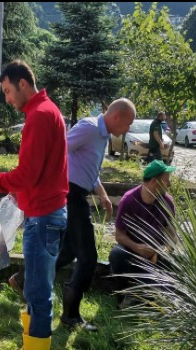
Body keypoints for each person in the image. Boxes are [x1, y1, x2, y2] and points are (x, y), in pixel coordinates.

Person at [0, 59, 68, 349]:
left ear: (22, 84)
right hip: (47, 213)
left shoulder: (39, 115)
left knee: (38, 294)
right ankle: (32, 341)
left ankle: (35, 345)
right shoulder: (47, 111)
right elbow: (39, 173)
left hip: (44, 217)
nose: (7, 99)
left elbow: (27, 174)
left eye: (7, 91)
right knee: (37, 290)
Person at [55, 98, 136, 331]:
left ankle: (24, 279)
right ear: (116, 117)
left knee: (68, 251)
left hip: (78, 194)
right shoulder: (90, 128)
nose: (128, 129)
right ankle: (70, 316)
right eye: (128, 123)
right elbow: (58, 149)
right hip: (70, 195)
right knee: (88, 258)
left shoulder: (102, 134)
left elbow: (89, 169)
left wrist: (102, 194)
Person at [108, 160, 177, 306]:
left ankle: (142, 295)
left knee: (171, 276)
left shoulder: (167, 202)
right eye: (166, 181)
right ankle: (125, 291)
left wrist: (163, 251)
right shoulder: (129, 200)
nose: (169, 185)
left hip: (156, 255)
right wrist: (136, 247)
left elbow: (172, 236)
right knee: (117, 254)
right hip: (132, 251)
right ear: (153, 181)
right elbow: (119, 235)